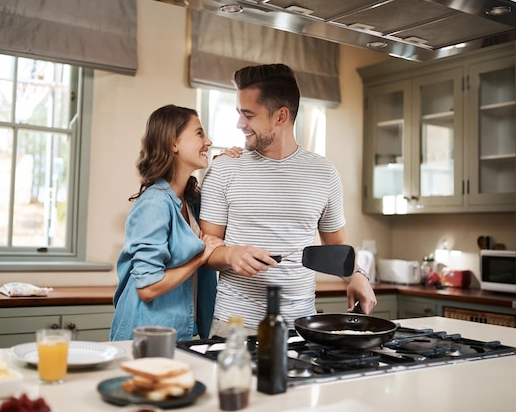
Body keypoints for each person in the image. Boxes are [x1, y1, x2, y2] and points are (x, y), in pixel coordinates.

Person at [199, 64, 377, 337]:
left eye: (248, 115)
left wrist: (357, 275)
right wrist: (232, 254)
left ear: (281, 116)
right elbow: (206, 248)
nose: (240, 124)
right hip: (233, 326)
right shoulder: (224, 169)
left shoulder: (324, 172)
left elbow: (336, 246)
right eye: (239, 113)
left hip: (300, 327)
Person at [109, 104, 225, 342]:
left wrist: (227, 166)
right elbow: (147, 287)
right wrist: (200, 259)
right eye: (199, 133)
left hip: (178, 331)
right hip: (144, 334)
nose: (209, 141)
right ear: (173, 143)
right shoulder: (154, 204)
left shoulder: (191, 200)